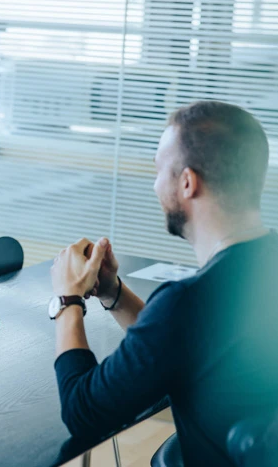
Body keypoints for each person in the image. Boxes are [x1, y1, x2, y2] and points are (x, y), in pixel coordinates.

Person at [48, 101, 278, 465]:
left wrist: (66, 300)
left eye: (158, 170)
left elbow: (83, 412)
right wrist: (112, 292)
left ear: (187, 183)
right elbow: (182, 345)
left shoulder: (190, 301)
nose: (154, 184)